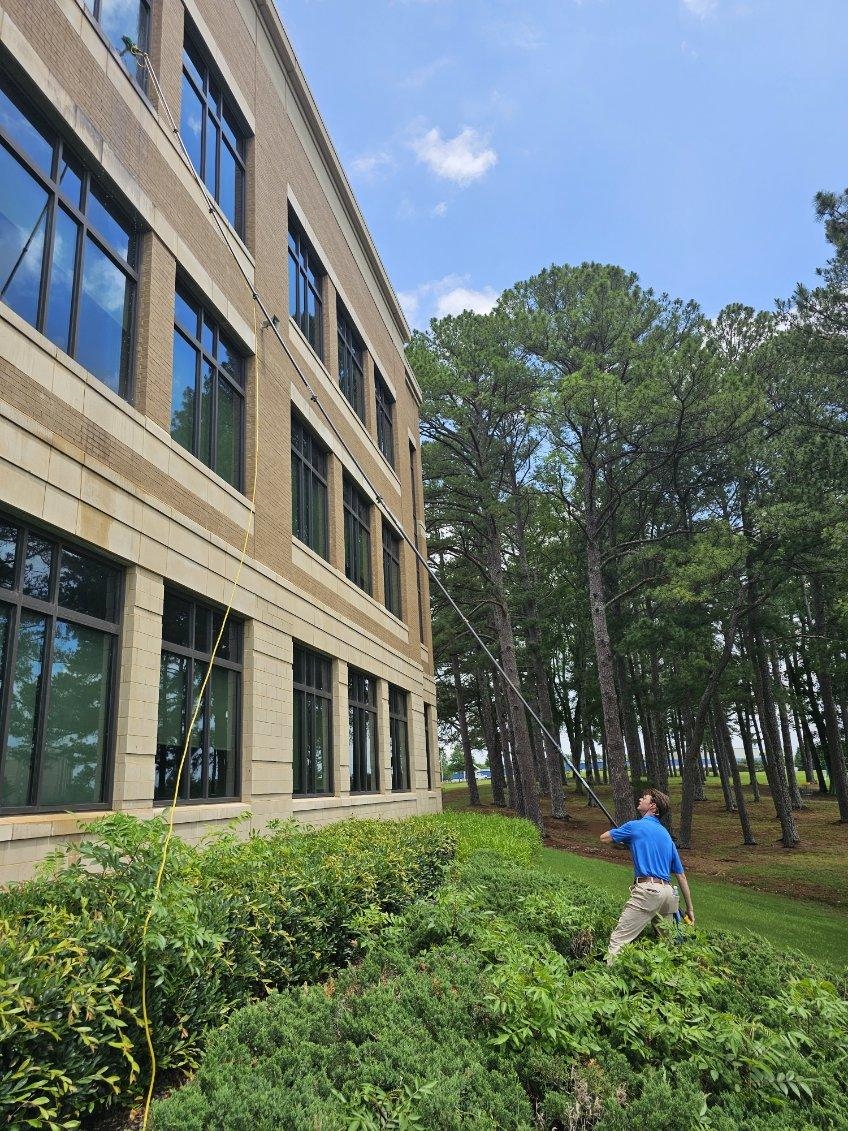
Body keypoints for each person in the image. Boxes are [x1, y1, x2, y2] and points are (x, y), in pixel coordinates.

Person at [600, 787, 695, 962]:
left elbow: (604, 838)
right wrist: (689, 909)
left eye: (644, 798)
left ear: (653, 807)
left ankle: (608, 982)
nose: (640, 799)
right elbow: (681, 876)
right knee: (670, 946)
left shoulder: (634, 826)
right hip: (669, 895)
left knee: (619, 940)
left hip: (648, 892)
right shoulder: (666, 836)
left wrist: (622, 835)